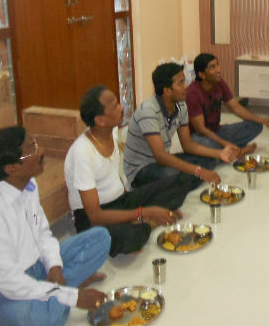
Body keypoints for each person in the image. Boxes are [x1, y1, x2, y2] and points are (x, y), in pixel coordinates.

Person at [0, 126, 110, 326]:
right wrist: (74, 298)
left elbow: (42, 233)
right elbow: (9, 281)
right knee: (40, 324)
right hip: (6, 290)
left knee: (100, 238)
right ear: (12, 168)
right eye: (31, 149)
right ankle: (63, 292)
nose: (41, 150)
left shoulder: (27, 184)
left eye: (34, 142)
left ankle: (55, 293)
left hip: (39, 267)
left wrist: (54, 267)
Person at [65, 85, 196, 257]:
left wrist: (137, 205)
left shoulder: (111, 132)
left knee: (183, 179)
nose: (121, 108)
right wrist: (146, 212)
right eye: (114, 106)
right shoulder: (82, 153)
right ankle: (148, 223)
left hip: (121, 201)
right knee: (127, 238)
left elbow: (116, 180)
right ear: (100, 120)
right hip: (93, 219)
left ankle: (142, 221)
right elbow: (95, 216)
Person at [123, 62, 237, 188]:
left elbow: (188, 145)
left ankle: (183, 182)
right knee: (173, 174)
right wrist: (198, 171)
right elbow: (160, 156)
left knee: (208, 160)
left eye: (184, 81)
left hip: (163, 161)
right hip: (141, 169)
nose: (186, 86)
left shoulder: (181, 106)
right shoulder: (148, 111)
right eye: (181, 83)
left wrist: (219, 153)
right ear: (167, 91)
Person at [186, 53, 269, 158]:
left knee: (256, 125)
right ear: (202, 75)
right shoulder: (193, 93)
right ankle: (238, 151)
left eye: (217, 65)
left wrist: (260, 119)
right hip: (199, 136)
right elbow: (201, 130)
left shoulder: (219, 82)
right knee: (207, 149)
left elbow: (235, 107)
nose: (218, 70)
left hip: (217, 131)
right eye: (212, 67)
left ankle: (229, 151)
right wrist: (224, 143)